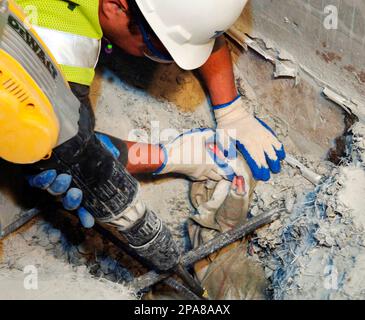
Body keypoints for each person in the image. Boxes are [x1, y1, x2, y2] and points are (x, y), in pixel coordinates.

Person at [12, 0, 285, 226]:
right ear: (114, 7)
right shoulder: (61, 49)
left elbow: (188, 22)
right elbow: (73, 149)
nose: (163, 59)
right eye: (158, 51)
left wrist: (232, 112)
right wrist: (171, 157)